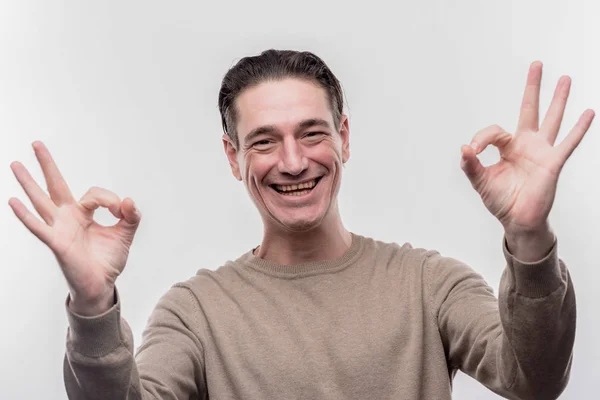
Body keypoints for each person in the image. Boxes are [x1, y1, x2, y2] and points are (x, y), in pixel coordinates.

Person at [8, 49, 594, 399]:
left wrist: (529, 239)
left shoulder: (429, 283)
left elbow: (534, 380)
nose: (292, 162)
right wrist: (91, 302)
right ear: (233, 157)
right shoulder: (196, 311)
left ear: (343, 136)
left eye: (312, 133)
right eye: (264, 141)